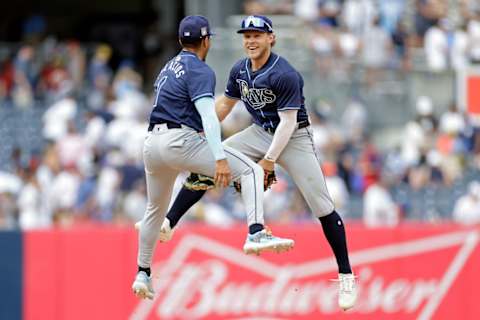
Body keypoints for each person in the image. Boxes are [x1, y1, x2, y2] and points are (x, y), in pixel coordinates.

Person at [149, 15, 358, 311]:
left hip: (293, 137)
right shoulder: (240, 70)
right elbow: (224, 105)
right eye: (246, 35)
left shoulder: (285, 73)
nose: (250, 40)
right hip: (260, 131)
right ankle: (169, 221)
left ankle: (346, 274)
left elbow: (287, 123)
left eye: (257, 35)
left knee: (322, 205)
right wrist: (199, 127)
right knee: (212, 160)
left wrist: (269, 161)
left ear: (271, 38)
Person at [131, 15, 294, 300]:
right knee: (252, 171)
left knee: (153, 212)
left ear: (182, 41)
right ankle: (256, 231)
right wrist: (219, 158)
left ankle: (143, 272)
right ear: (206, 41)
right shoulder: (200, 69)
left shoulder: (167, 67)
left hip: (152, 144)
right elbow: (208, 115)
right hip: (180, 140)